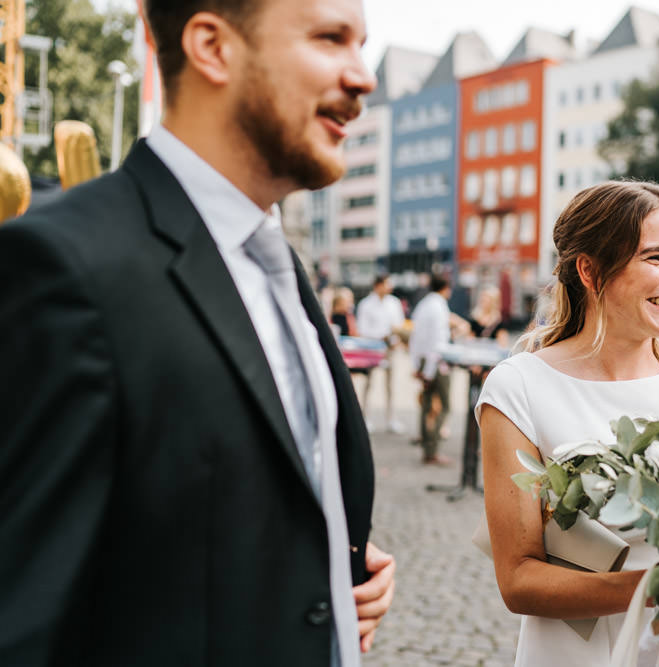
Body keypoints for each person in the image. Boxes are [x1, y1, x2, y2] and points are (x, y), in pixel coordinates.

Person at [0, 0, 394, 665]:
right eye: (331, 39)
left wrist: (322, 561)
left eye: (362, 44)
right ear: (213, 46)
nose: (363, 76)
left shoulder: (281, 268)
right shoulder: (62, 268)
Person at [476, 181, 659, 666]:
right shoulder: (519, 389)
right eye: (656, 257)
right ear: (590, 271)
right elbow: (519, 579)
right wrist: (657, 588)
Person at [408, 273, 455, 465]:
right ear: (446, 287)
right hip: (435, 363)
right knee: (443, 406)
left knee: (427, 404)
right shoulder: (439, 307)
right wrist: (428, 371)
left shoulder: (424, 304)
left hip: (423, 360)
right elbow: (437, 342)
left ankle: (425, 441)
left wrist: (417, 365)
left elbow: (415, 336)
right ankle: (432, 450)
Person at [355, 274, 406, 433]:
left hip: (390, 349)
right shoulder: (366, 304)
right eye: (386, 284)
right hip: (372, 349)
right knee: (369, 384)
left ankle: (391, 419)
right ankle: (365, 417)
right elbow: (362, 329)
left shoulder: (394, 303)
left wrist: (396, 338)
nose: (389, 287)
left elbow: (399, 324)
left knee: (391, 385)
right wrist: (380, 336)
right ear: (377, 285)